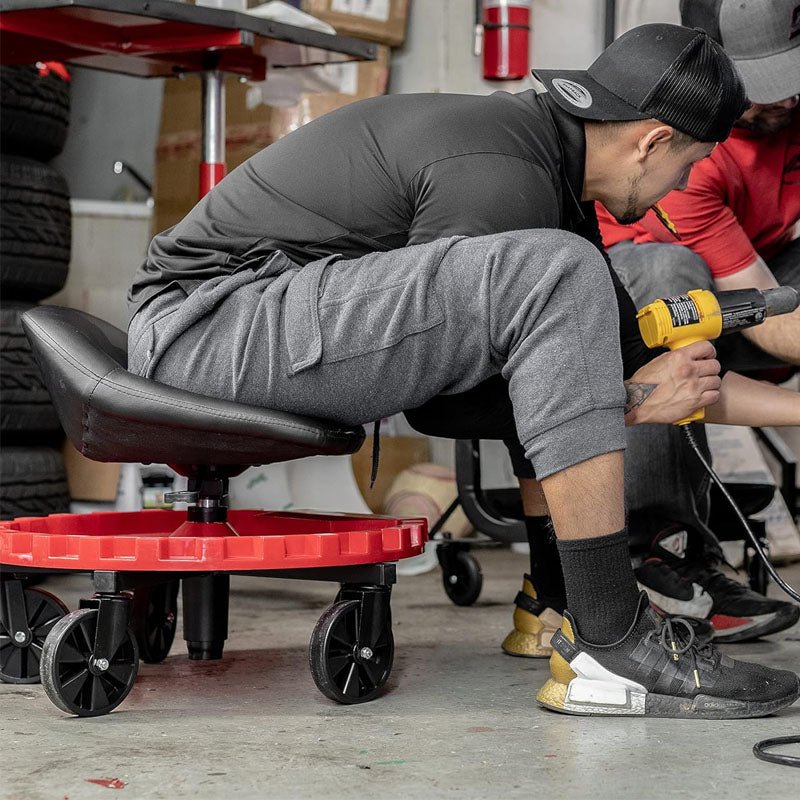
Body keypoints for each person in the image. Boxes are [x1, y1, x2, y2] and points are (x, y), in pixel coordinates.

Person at [128, 23, 800, 717]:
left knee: (570, 297)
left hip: (253, 322)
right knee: (560, 281)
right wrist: (629, 398)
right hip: (206, 328)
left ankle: (560, 600)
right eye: (688, 163)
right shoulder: (504, 175)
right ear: (652, 141)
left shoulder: (550, 179)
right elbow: (449, 404)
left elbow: (637, 368)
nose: (684, 184)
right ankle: (613, 643)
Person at [592, 0, 800, 646]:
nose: (780, 101)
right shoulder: (688, 154)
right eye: (756, 87)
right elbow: (767, 319)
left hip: (752, 273)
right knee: (666, 273)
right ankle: (661, 548)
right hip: (644, 311)